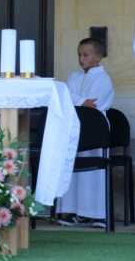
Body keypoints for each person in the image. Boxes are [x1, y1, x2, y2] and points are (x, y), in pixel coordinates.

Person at [57, 37, 114, 228]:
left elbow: (94, 104)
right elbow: (65, 95)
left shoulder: (102, 78)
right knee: (75, 169)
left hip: (95, 130)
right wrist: (81, 101)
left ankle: (98, 214)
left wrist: (77, 101)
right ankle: (77, 212)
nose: (81, 58)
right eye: (79, 55)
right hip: (75, 127)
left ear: (98, 57)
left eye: (85, 55)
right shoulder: (74, 77)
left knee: (93, 173)